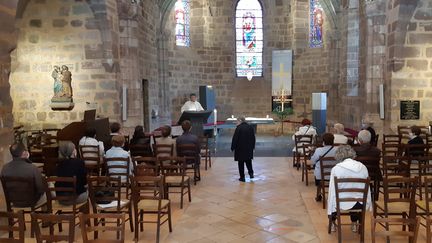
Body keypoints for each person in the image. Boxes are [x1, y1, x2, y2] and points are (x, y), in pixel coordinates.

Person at [327, 145, 372, 233]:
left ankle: (332, 223)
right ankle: (354, 223)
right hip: (360, 203)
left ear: (339, 156)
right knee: (354, 196)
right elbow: (367, 189)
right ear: (352, 155)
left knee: (333, 198)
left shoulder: (336, 169)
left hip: (341, 203)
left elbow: (332, 192)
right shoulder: (363, 167)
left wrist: (330, 210)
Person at [1, 143, 46, 208]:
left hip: (13, 201)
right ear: (24, 153)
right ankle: (43, 216)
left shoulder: (4, 168)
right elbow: (41, 189)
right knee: (47, 193)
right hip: (31, 201)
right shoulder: (32, 168)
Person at [310, 133, 338, 201]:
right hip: (334, 175)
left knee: (318, 171)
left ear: (323, 141)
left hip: (320, 176)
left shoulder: (319, 150)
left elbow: (312, 161)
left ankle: (319, 194)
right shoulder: (338, 150)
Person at [231, 116, 256, 182]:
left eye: (237, 121)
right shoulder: (250, 127)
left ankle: (242, 177)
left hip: (240, 149)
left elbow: (235, 139)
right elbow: (253, 138)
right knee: (249, 162)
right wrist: (253, 147)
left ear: (240, 121)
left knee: (241, 163)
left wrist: (232, 147)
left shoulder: (238, 128)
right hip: (248, 148)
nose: (236, 122)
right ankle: (251, 174)